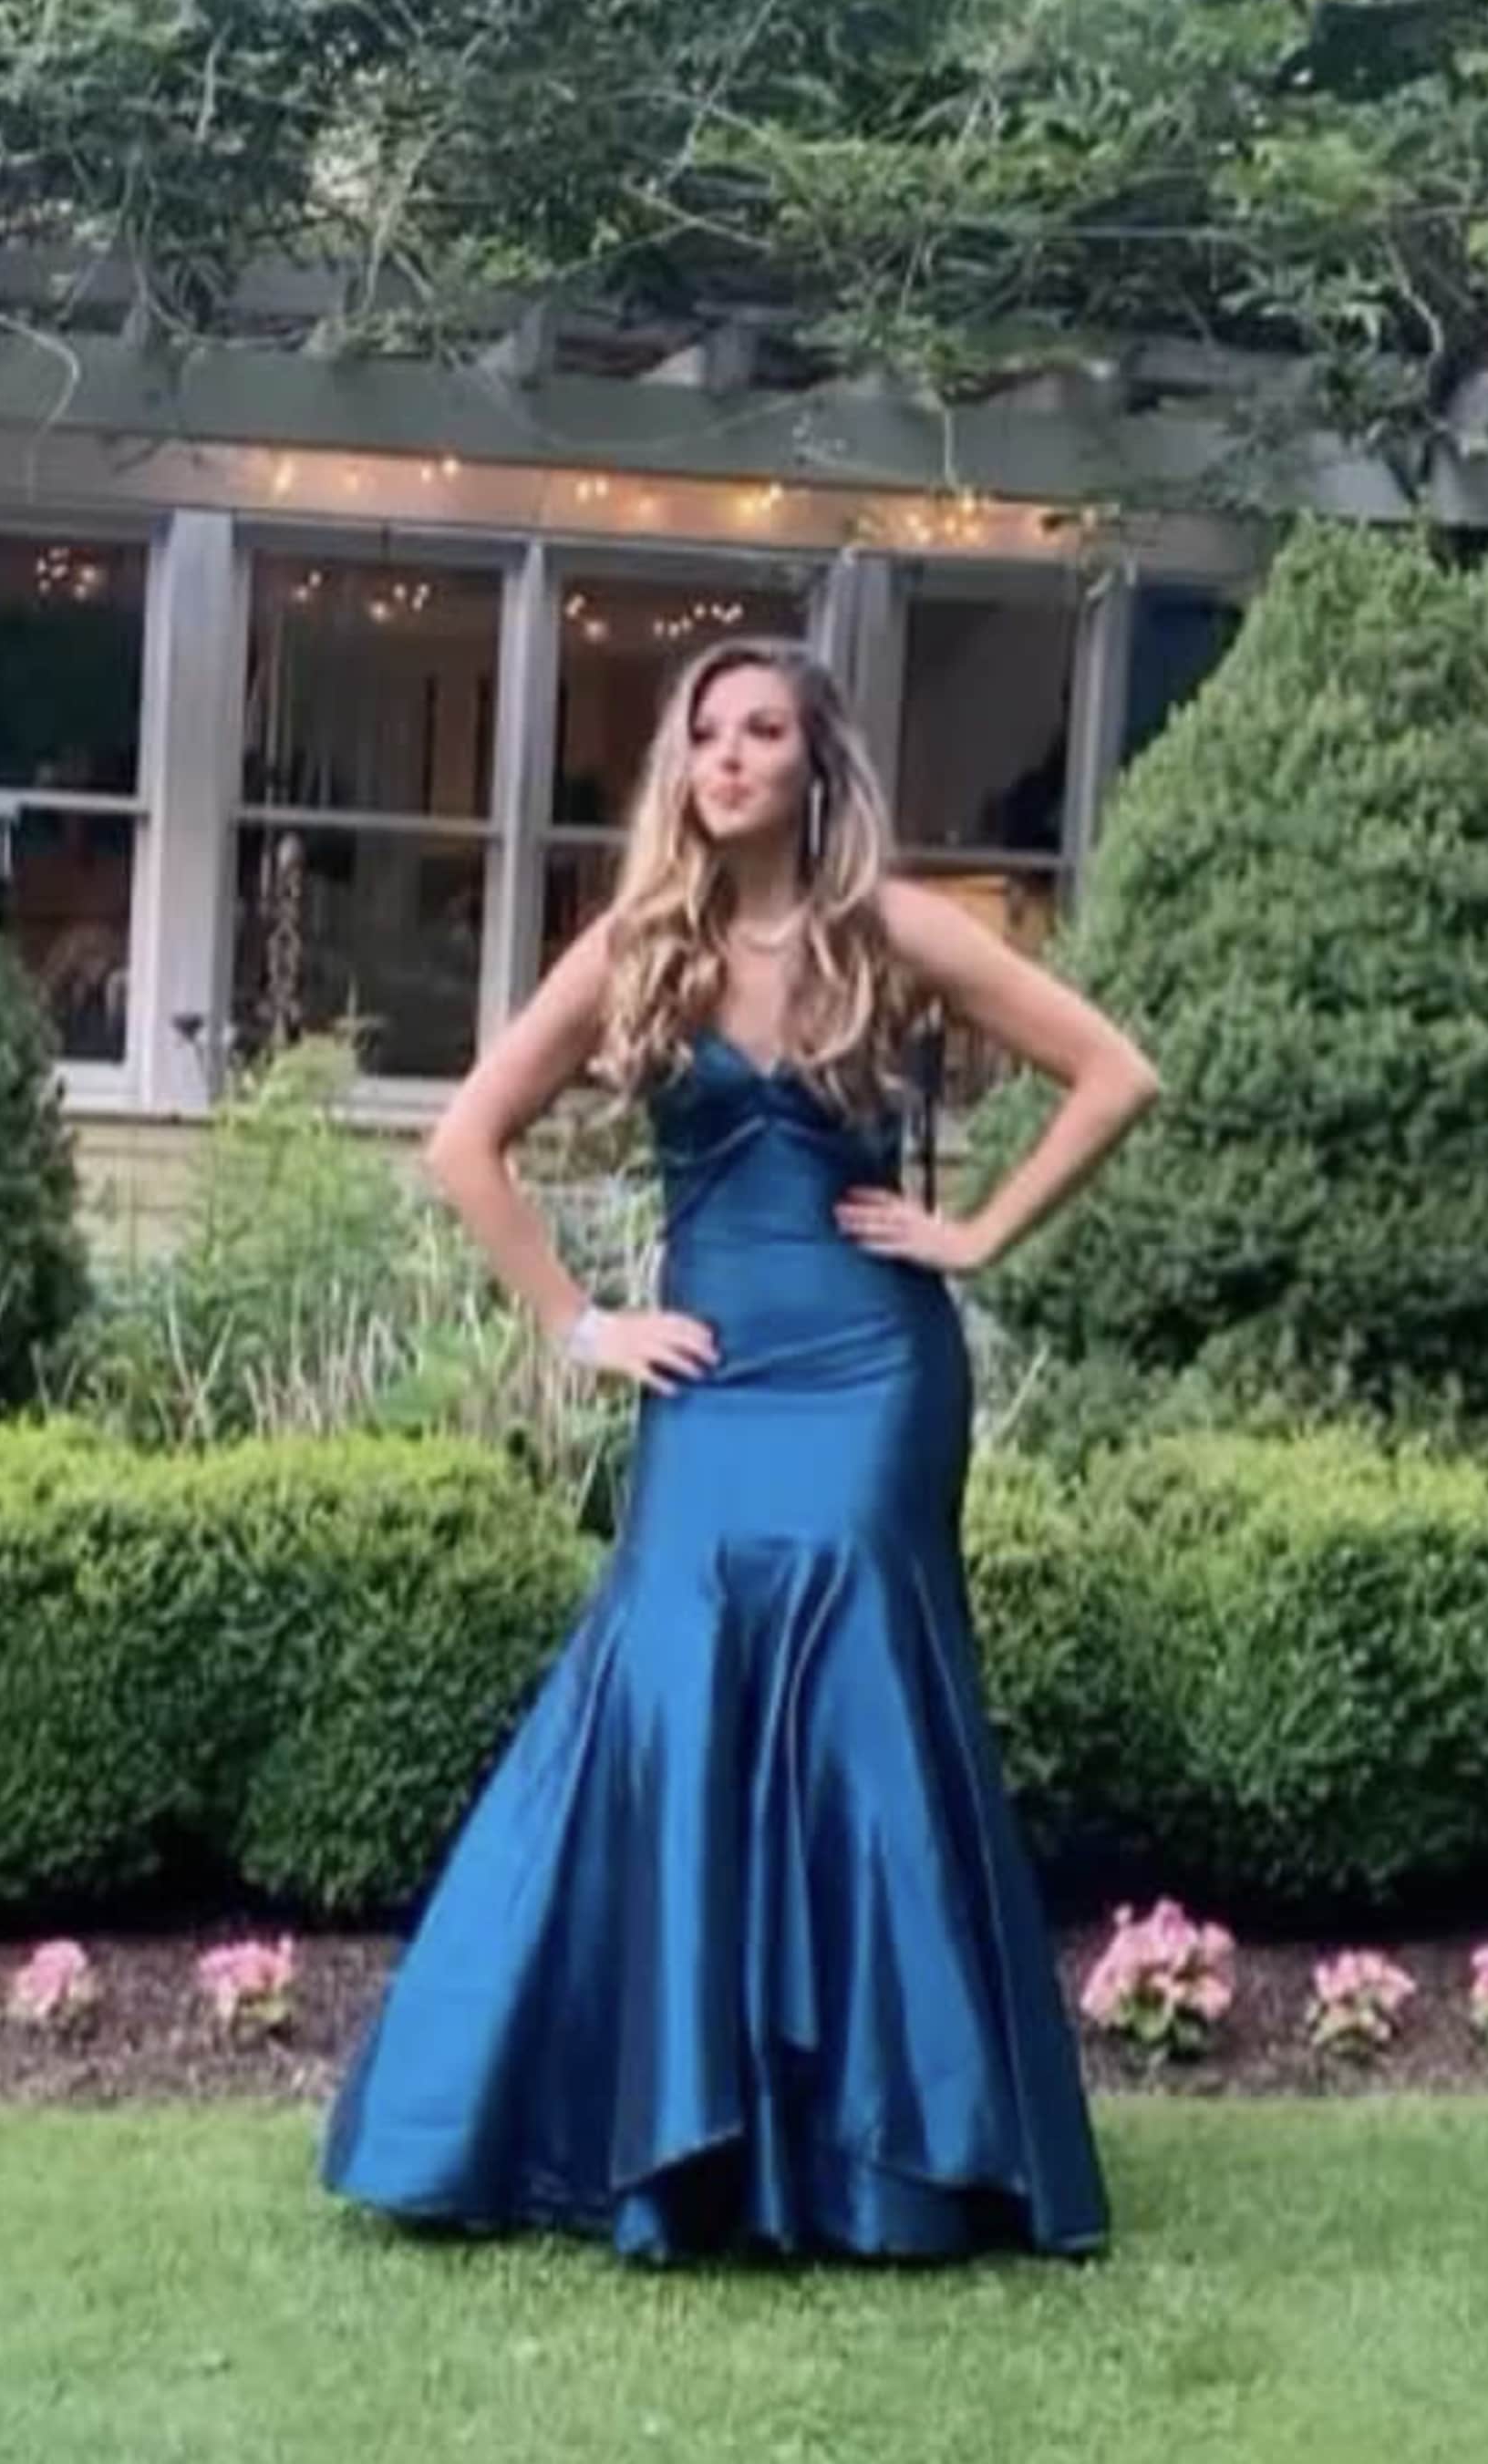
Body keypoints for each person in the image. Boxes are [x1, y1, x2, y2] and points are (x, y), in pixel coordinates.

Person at [318, 637, 1163, 2268]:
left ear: (814, 760)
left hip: (869, 1367)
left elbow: (1114, 1071)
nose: (727, 755)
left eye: (761, 729)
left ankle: (889, 2152)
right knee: (672, 1673)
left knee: (853, 1678)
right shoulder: (644, 944)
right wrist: (584, 1323)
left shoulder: (895, 928)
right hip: (710, 1373)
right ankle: (658, 2132)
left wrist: (976, 1229)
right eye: (705, 732)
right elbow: (463, 1138)